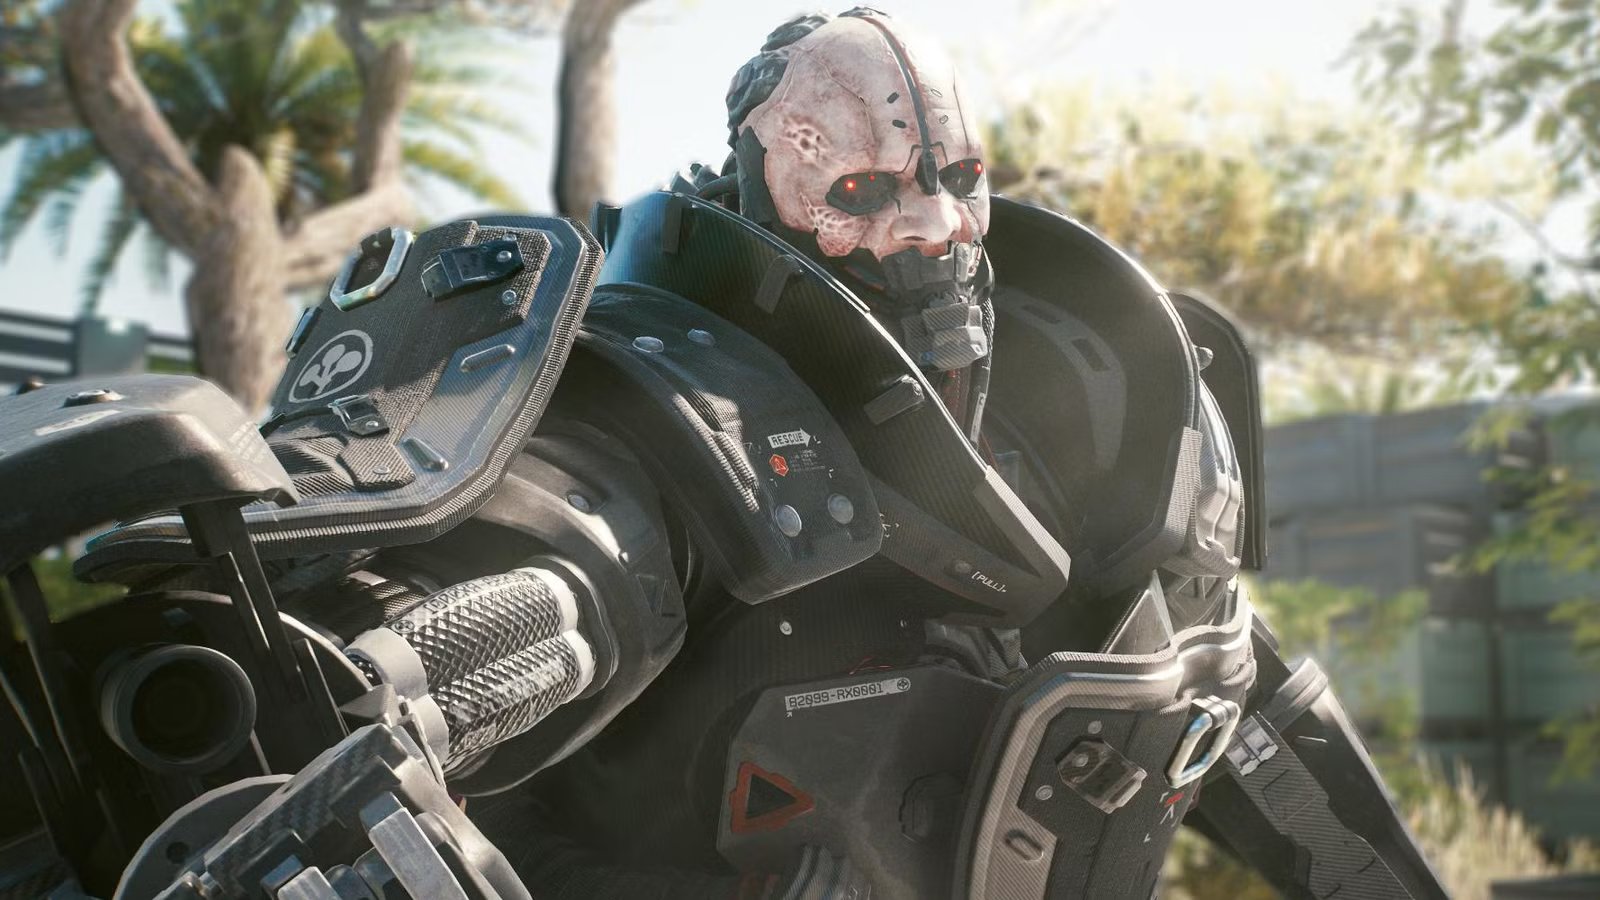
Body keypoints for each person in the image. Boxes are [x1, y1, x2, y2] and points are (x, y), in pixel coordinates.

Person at [0, 8, 1450, 900]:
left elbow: (1246, 718)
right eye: (861, 189)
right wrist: (325, 699)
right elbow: (476, 617)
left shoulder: (1120, 403)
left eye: (953, 179)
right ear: (766, 187)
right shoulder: (670, 417)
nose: (924, 228)